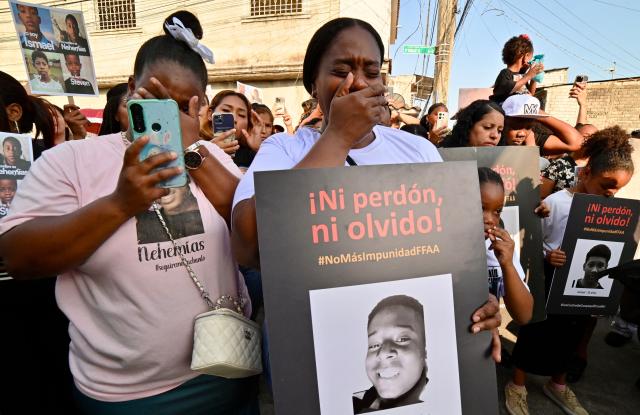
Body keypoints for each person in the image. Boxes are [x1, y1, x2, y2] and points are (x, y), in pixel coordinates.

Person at [0, 12, 259, 414]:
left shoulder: (209, 158)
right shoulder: (72, 160)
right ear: (131, 89)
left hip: (228, 368)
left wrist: (192, 150)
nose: (167, 118)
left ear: (200, 107)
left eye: (181, 108)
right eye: (157, 101)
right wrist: (120, 203)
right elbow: (18, 256)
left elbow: (248, 234)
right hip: (127, 396)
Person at [232, 17, 503, 366]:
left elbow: (455, 253)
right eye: (340, 70)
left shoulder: (416, 150)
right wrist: (338, 138)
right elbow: (247, 245)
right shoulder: (284, 150)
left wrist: (477, 301)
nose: (356, 82)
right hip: (318, 349)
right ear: (313, 85)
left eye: (370, 72)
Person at [505, 126, 634, 415]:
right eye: (606, 184)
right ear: (586, 173)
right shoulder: (554, 204)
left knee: (571, 337)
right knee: (535, 332)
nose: (611, 194)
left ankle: (558, 384)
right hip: (549, 282)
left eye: (618, 189)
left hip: (583, 286)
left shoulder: (612, 210)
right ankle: (517, 384)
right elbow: (529, 243)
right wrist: (547, 256)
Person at [353, 295, 428, 413]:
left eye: (402, 339)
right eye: (373, 345)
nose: (383, 353)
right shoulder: (355, 403)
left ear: (425, 350)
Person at [478, 167, 533, 325]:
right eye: (481, 208)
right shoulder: (442, 247)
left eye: (497, 211)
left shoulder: (499, 249)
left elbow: (524, 315)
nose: (489, 219)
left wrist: (507, 264)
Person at [501, 95, 582, 156]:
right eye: (516, 127)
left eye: (528, 127)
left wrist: (538, 114)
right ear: (503, 122)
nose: (522, 134)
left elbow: (576, 143)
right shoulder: (493, 140)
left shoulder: (534, 140)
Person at [209, 90, 263, 170]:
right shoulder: (195, 147)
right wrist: (209, 153)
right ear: (210, 114)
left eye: (241, 115)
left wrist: (258, 150)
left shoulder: (253, 155)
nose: (234, 119)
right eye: (226, 110)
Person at [490, 34, 543, 104]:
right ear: (526, 56)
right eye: (530, 57)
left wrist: (534, 77)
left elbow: (530, 95)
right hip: (503, 113)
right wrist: (529, 75)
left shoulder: (522, 76)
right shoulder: (505, 73)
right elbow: (509, 89)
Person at [440, 100, 504, 148]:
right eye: (487, 127)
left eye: (499, 131)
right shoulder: (440, 156)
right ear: (469, 126)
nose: (495, 136)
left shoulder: (502, 161)